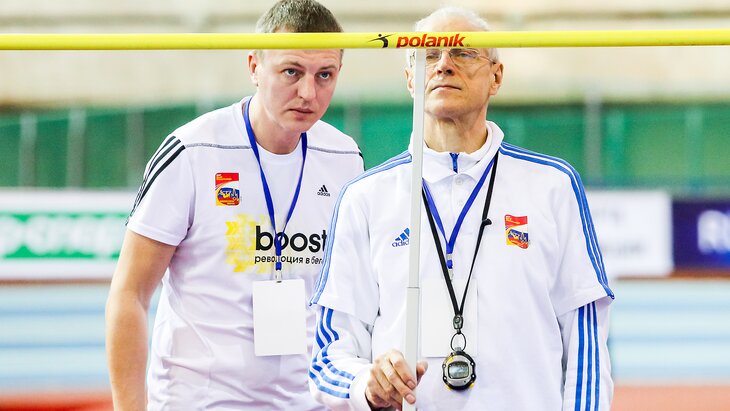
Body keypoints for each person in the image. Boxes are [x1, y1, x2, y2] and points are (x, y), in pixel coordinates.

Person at [309, 6, 614, 411]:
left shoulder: (553, 185)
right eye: (429, 55)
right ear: (410, 79)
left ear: (496, 77)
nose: (443, 65)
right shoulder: (364, 196)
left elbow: (585, 337)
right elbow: (329, 354)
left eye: (463, 52)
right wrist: (367, 384)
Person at [105, 0, 364, 409]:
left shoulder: (345, 157)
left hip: (307, 400)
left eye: (324, 75)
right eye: (291, 71)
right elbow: (130, 294)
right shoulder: (193, 151)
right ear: (254, 66)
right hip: (202, 401)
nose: (308, 93)